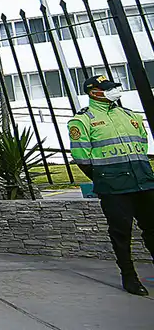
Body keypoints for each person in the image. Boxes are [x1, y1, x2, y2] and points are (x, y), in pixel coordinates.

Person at [68, 75, 154, 296]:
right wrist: (103, 177)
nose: (114, 91)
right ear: (93, 92)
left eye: (113, 87)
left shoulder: (130, 115)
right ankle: (130, 277)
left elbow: (142, 144)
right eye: (107, 88)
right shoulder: (83, 120)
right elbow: (81, 157)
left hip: (143, 180)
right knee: (121, 233)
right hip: (114, 186)